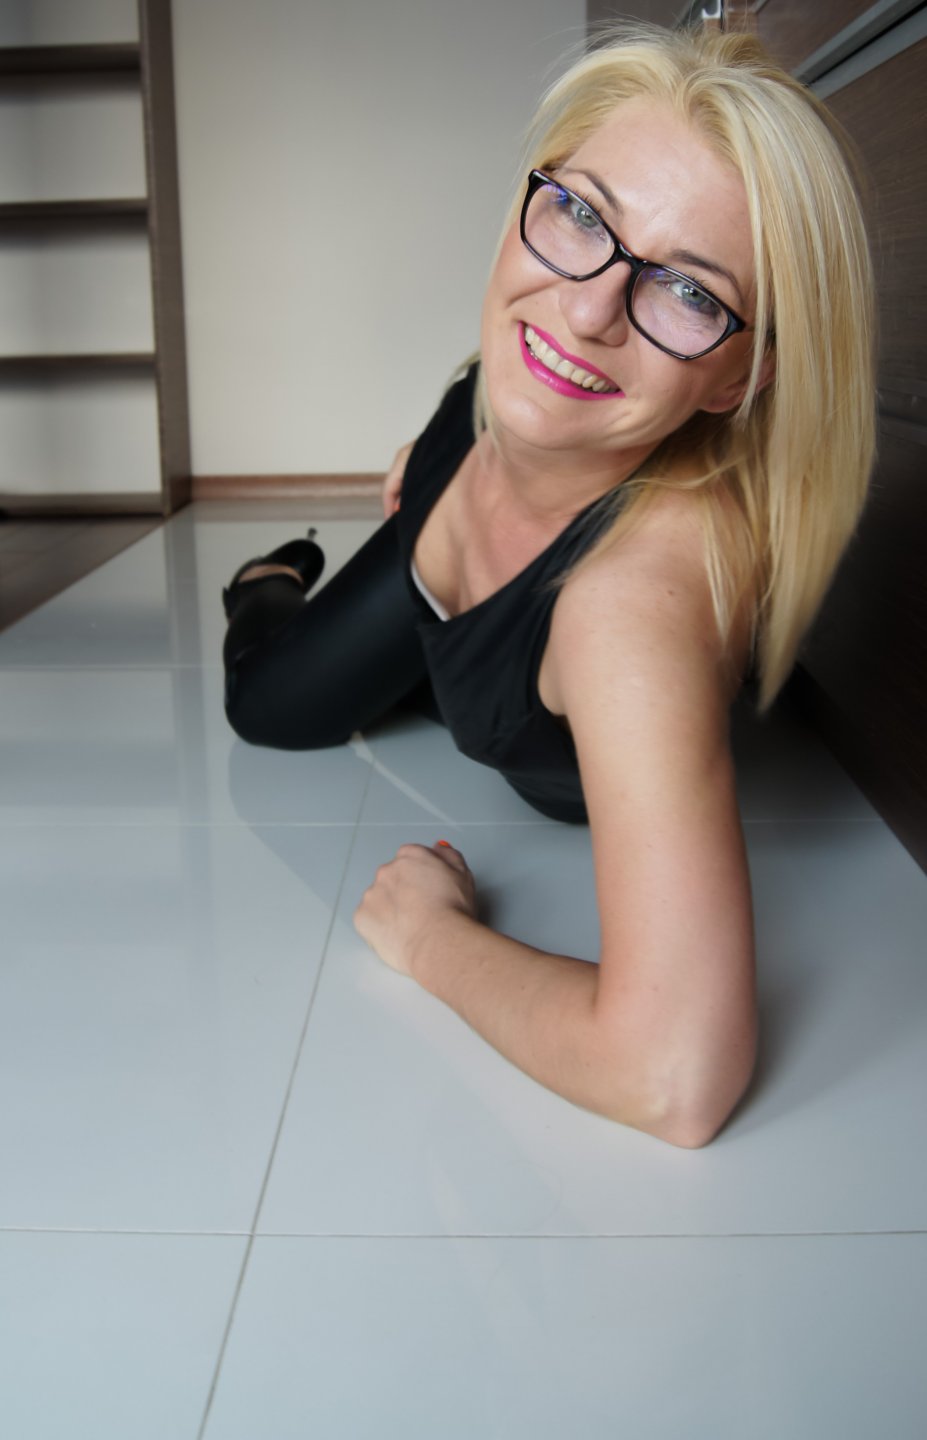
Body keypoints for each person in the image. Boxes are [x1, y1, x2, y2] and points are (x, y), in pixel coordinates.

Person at [221, 24, 875, 1147]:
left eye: (686, 291)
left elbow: (673, 1077)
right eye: (579, 212)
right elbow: (514, 356)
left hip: (533, 615)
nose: (584, 311)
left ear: (739, 375)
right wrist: (448, 438)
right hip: (451, 498)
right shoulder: (524, 371)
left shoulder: (629, 606)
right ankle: (267, 578)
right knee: (266, 705)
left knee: (316, 700)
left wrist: (432, 939)